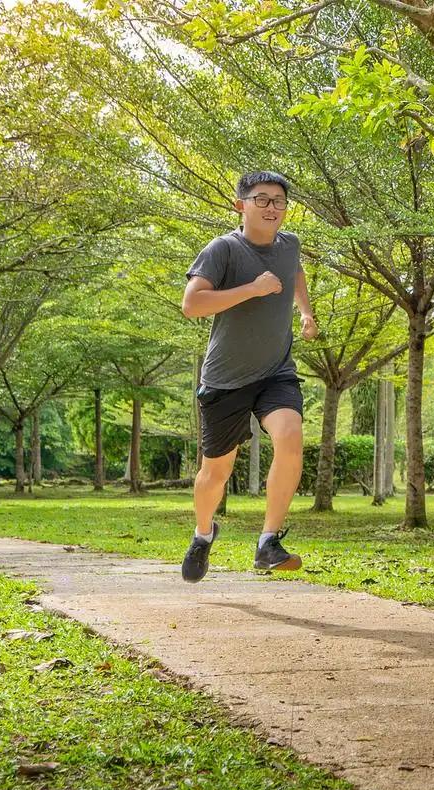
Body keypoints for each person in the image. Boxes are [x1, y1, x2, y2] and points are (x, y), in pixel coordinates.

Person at [178, 170, 318, 583]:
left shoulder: (290, 244)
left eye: (279, 201)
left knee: (290, 434)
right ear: (241, 205)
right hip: (226, 378)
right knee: (214, 474)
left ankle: (268, 542)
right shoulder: (222, 250)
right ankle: (203, 535)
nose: (271, 207)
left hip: (276, 370)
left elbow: (294, 273)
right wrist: (252, 289)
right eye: (261, 199)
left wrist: (306, 312)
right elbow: (192, 304)